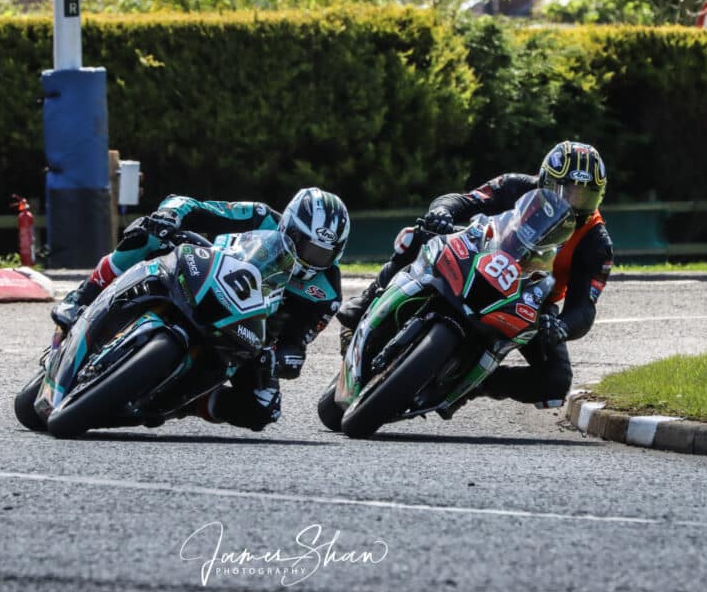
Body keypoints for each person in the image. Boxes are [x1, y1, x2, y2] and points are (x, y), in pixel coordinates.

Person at [335, 141, 614, 409]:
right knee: (419, 236)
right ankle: (364, 304)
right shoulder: (515, 186)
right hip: (480, 257)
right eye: (566, 191)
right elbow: (464, 200)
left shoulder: (596, 242)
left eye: (584, 196)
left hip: (530, 300)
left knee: (555, 381)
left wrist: (563, 326)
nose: (573, 204)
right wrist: (442, 212)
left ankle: (475, 384)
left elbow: (583, 307)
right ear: (545, 180)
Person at [52, 187, 350, 431]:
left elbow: (297, 341)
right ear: (289, 229)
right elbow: (193, 206)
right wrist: (170, 215)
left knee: (264, 406)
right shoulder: (260, 216)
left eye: (323, 254)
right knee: (148, 233)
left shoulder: (327, 292)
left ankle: (185, 404)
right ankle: (82, 296)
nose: (312, 261)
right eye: (308, 248)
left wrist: (285, 358)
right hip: (203, 275)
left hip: (248, 335)